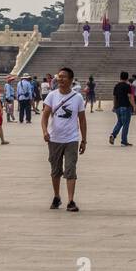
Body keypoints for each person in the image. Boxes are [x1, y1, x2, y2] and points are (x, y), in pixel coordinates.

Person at [42, 66, 87, 212]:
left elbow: (82, 120)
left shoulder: (78, 97)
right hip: (54, 139)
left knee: (70, 169)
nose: (60, 79)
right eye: (59, 76)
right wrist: (44, 131)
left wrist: (84, 140)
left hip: (71, 139)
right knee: (55, 170)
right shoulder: (52, 95)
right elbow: (45, 116)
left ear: (71, 80)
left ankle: (71, 200)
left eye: (64, 77)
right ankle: (56, 196)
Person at [108, 71, 135, 146]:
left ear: (120, 77)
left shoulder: (116, 86)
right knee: (126, 124)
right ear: (127, 78)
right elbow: (129, 97)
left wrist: (114, 106)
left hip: (118, 107)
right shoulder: (127, 86)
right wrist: (134, 106)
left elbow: (114, 97)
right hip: (125, 107)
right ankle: (124, 141)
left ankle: (113, 135)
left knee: (120, 122)